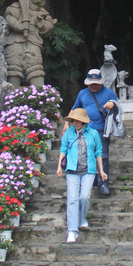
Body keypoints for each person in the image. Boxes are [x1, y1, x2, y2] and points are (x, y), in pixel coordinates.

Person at [56, 108, 107, 243]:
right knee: (72, 199)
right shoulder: (69, 133)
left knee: (84, 197)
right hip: (72, 170)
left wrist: (101, 170)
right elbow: (63, 149)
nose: (75, 123)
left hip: (88, 170)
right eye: (74, 120)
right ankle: (72, 231)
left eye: (78, 121)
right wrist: (59, 166)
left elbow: (98, 152)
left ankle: (82, 218)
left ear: (84, 121)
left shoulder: (93, 133)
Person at [70, 68, 118, 197]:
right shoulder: (82, 93)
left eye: (96, 83)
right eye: (91, 84)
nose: (94, 86)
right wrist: (66, 125)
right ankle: (89, 180)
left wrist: (112, 104)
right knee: (85, 155)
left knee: (103, 156)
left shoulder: (109, 93)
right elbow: (75, 109)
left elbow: (118, 106)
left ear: (101, 82)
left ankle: (103, 183)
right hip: (86, 130)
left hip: (102, 129)